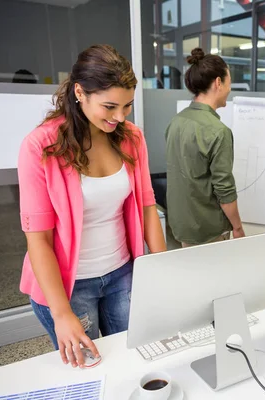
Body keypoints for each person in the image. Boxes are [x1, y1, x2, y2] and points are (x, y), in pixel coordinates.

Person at [17, 44, 167, 367]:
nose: (119, 117)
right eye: (110, 106)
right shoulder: (40, 147)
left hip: (122, 272)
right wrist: (61, 314)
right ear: (80, 92)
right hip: (69, 286)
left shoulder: (132, 138)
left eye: (127, 106)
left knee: (136, 358)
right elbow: (38, 240)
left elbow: (147, 206)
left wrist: (164, 271)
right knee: (92, 369)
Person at [165, 48, 244, 246]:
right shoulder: (218, 131)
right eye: (229, 82)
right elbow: (224, 191)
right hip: (209, 231)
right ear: (218, 82)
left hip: (181, 227)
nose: (229, 88)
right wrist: (238, 227)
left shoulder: (176, 121)